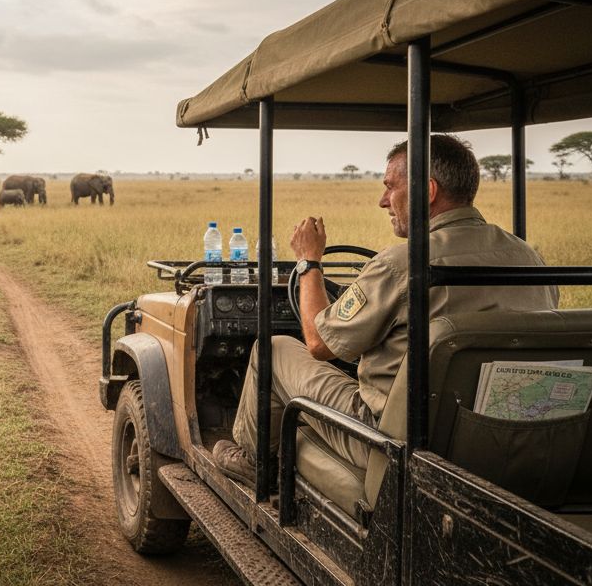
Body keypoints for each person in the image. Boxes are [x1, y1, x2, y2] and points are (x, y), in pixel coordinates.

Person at [212, 134, 559, 483]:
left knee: (272, 349)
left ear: (427, 191)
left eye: (390, 187)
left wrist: (308, 263)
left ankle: (254, 464)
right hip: (493, 433)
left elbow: (319, 343)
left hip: (388, 437)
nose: (383, 201)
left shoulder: (401, 264)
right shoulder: (528, 258)